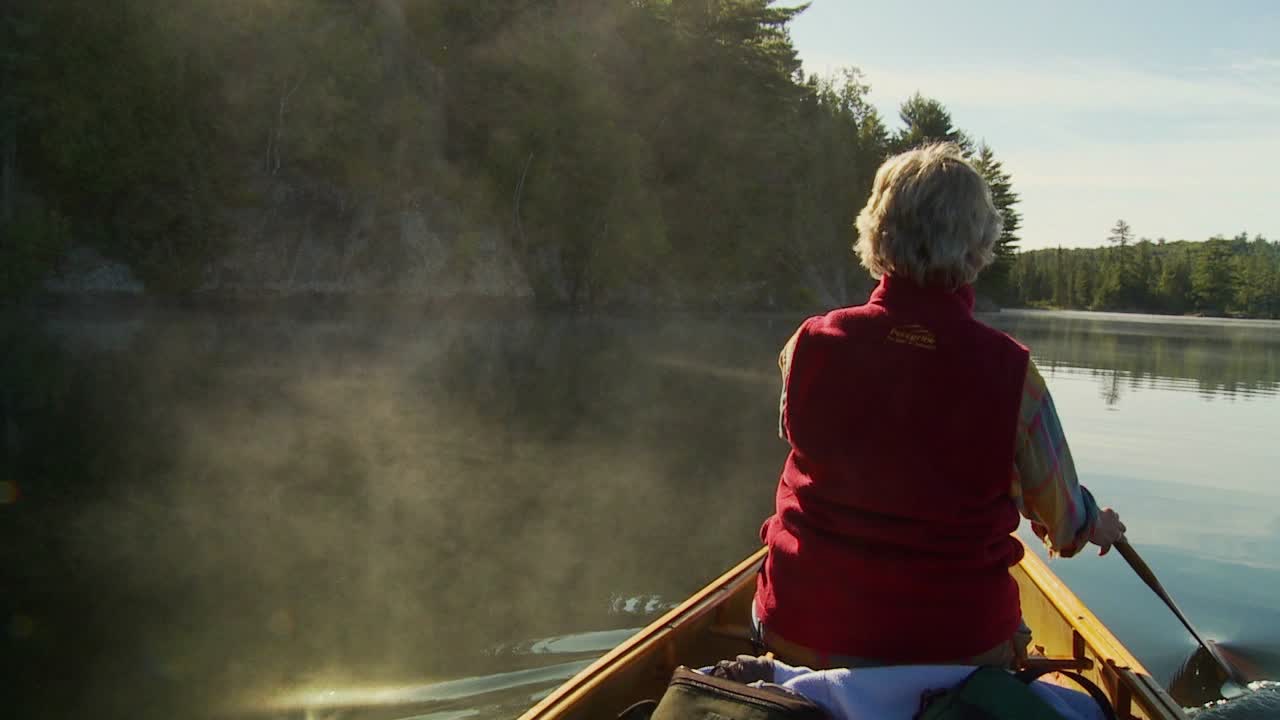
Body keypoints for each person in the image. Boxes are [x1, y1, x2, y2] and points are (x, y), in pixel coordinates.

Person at [752, 142, 1126, 670]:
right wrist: (1094, 522)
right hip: (956, 646)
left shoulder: (808, 344)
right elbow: (1062, 528)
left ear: (876, 230)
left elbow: (818, 448)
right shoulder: (1012, 374)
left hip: (798, 627)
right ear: (977, 246)